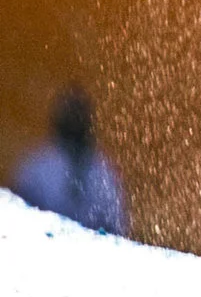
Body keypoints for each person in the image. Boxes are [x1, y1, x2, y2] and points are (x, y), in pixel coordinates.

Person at [11, 86, 127, 236]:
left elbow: (116, 226)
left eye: (78, 117)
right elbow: (19, 215)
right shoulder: (37, 166)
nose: (74, 123)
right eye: (70, 118)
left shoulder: (103, 171)